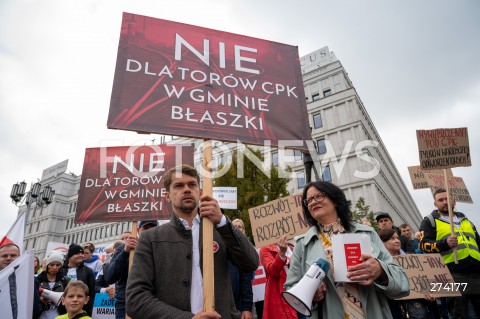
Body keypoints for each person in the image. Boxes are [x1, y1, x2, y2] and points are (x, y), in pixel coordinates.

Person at [126, 165, 259, 319]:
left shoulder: (219, 231)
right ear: (167, 196)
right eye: (179, 185)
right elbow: (135, 299)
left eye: (192, 185)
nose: (187, 189)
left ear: (200, 192)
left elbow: (251, 262)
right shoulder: (150, 239)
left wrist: (223, 222)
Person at [285, 181, 409, 318]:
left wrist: (381, 270)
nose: (313, 202)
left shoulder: (367, 233)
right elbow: (291, 288)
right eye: (308, 200)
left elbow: (401, 282)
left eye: (318, 196)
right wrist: (310, 294)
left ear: (335, 200)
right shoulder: (303, 244)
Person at [419, 188, 480, 318]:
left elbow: (478, 243)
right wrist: (444, 243)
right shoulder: (429, 221)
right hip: (452, 274)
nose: (445, 202)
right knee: (459, 313)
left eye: (447, 199)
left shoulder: (465, 219)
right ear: (435, 204)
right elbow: (423, 244)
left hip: (476, 272)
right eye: (440, 200)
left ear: (454, 201)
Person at [378, 228, 438, 319]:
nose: (397, 241)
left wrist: (430, 293)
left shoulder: (414, 260)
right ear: (382, 243)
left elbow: (424, 283)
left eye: (397, 238)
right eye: (392, 238)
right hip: (394, 309)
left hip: (418, 309)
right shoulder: (379, 265)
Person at [106, 220, 159, 319]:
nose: (149, 232)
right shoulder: (123, 248)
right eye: (145, 229)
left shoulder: (160, 249)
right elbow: (110, 277)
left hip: (152, 305)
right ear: (138, 230)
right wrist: (125, 252)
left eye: (153, 229)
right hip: (126, 305)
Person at [0, 243, 43, 318]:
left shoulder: (30, 280)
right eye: (4, 256)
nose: (8, 258)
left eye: (13, 255)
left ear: (20, 258)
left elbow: (34, 309)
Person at [260, 234, 297, 319]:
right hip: (281, 298)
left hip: (298, 296)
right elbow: (273, 272)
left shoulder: (292, 247)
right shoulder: (265, 249)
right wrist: (282, 253)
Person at [60, 243, 95, 316]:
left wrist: (89, 311)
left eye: (82, 253)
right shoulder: (60, 270)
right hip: (61, 309)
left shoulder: (88, 271)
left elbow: (91, 293)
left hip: (81, 310)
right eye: (77, 253)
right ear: (70, 256)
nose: (81, 255)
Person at [229, 218, 254, 319]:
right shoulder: (223, 246)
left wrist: (247, 308)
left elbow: (246, 281)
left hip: (238, 303)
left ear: (244, 230)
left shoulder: (247, 251)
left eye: (240, 227)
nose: (237, 228)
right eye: (235, 226)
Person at [36, 252, 70, 319]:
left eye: (58, 265)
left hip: (59, 314)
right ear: (47, 265)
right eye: (52, 265)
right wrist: (40, 300)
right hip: (41, 314)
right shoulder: (37, 279)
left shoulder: (65, 281)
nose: (54, 268)